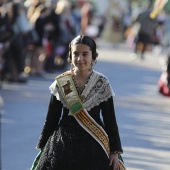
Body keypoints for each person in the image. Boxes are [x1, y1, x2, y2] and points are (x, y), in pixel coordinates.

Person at [31, 35, 125, 170]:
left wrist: (115, 151)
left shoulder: (102, 83)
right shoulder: (62, 82)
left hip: (94, 145)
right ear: (70, 56)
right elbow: (51, 118)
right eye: (76, 54)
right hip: (63, 145)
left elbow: (110, 120)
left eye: (85, 54)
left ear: (93, 56)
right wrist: (43, 148)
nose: (80, 59)